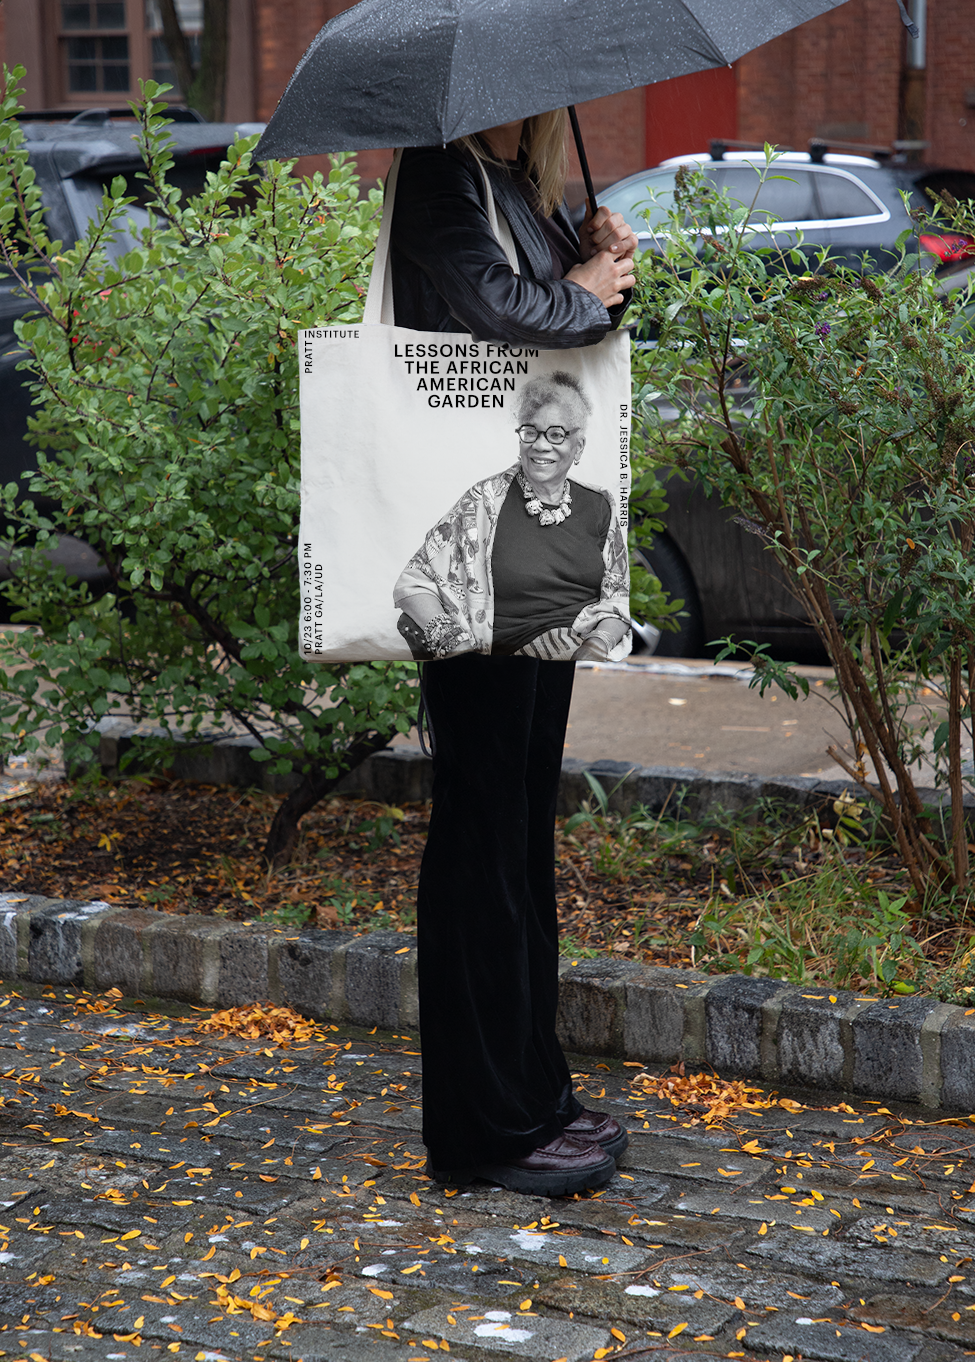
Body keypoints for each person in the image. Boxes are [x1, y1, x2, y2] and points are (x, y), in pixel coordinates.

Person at [389, 110, 637, 1196]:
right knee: (481, 831)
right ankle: (481, 1131)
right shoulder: (442, 181)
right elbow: (497, 308)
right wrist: (579, 282)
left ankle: (533, 1093)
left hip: (537, 555)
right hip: (472, 548)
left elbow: (575, 332)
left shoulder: (518, 190)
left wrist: (607, 259)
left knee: (521, 828)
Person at [393, 369, 629, 662]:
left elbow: (616, 600)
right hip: (504, 667)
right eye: (531, 432)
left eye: (556, 434)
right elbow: (415, 583)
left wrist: (597, 645)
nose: (541, 445)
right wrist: (453, 645)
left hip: (578, 661)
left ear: (577, 446)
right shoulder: (483, 502)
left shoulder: (599, 506)